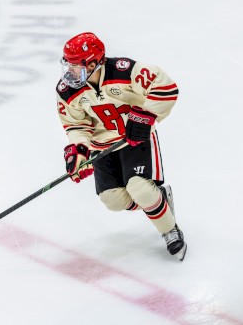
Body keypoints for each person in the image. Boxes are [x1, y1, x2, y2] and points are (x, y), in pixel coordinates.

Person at [56, 32, 187, 261]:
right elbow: (75, 124)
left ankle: (170, 230)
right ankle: (160, 200)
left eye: (77, 65)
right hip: (101, 147)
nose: (71, 71)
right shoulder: (67, 89)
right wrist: (79, 151)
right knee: (114, 201)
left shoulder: (125, 71)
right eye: (69, 64)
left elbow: (166, 88)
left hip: (134, 139)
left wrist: (144, 116)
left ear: (95, 62)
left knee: (141, 189)